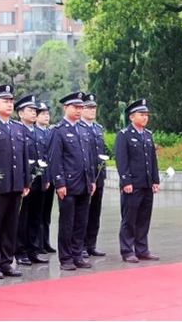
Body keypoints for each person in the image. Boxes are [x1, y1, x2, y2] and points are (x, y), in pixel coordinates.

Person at [0, 85, 31, 279]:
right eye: (5, 101)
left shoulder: (17, 127)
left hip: (15, 184)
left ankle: (6, 261)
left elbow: (23, 156)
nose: (9, 104)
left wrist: (26, 181)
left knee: (11, 225)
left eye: (11, 101)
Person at [48, 92, 95, 270]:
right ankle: (66, 258)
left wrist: (91, 180)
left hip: (84, 183)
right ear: (66, 108)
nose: (78, 110)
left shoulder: (83, 130)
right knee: (67, 222)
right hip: (68, 184)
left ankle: (77, 254)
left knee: (81, 222)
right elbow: (55, 159)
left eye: (80, 107)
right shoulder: (58, 131)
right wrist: (59, 183)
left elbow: (88, 157)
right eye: (75, 107)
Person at [114, 98, 160, 263]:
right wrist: (126, 182)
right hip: (132, 185)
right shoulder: (124, 135)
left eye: (146, 115)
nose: (145, 118)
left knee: (143, 219)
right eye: (142, 114)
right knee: (129, 219)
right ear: (132, 117)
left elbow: (152, 159)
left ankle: (142, 249)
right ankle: (127, 250)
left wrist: (155, 180)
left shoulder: (147, 135)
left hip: (146, 184)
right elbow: (121, 160)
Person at [15, 94, 50, 265]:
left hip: (39, 180)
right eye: (30, 110)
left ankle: (33, 249)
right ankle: (20, 251)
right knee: (23, 217)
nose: (34, 113)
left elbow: (45, 157)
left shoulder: (39, 132)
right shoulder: (17, 130)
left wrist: (47, 178)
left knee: (36, 216)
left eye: (35, 110)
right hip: (24, 182)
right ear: (20, 113)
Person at [80, 94, 106, 258]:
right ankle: (81, 245)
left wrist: (102, 175)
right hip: (85, 177)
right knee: (84, 213)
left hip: (98, 177)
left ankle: (91, 244)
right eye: (88, 107)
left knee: (95, 213)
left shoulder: (98, 128)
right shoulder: (79, 128)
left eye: (93, 108)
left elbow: (101, 153)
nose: (92, 110)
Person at [36, 102, 56, 254]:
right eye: (43, 114)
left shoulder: (50, 132)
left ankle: (46, 241)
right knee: (38, 212)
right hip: (38, 178)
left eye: (47, 114)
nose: (46, 116)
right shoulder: (34, 132)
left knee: (46, 213)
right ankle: (38, 243)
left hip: (49, 177)